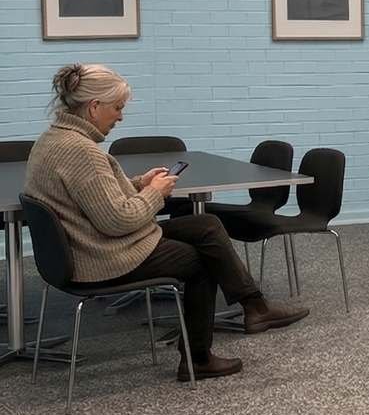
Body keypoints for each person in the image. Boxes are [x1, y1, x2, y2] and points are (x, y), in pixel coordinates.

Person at [25, 64, 309, 381]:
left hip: (83, 246)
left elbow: (93, 196)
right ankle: (197, 359)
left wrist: (139, 184)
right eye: (117, 108)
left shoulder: (53, 140)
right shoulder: (80, 151)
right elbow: (118, 220)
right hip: (102, 254)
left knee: (206, 224)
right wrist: (155, 195)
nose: (120, 117)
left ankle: (255, 306)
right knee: (202, 261)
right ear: (94, 107)